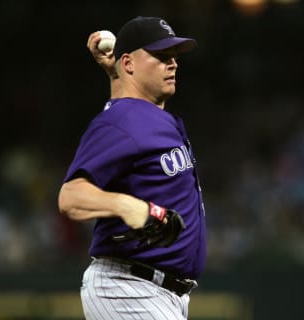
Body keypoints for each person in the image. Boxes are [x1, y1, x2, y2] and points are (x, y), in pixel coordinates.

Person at [58, 16, 206, 319]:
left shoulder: (140, 115)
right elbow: (70, 197)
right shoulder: (121, 121)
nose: (173, 64)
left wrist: (116, 78)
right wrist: (129, 207)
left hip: (156, 292)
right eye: (161, 56)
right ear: (129, 62)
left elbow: (128, 120)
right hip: (129, 288)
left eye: (174, 57)